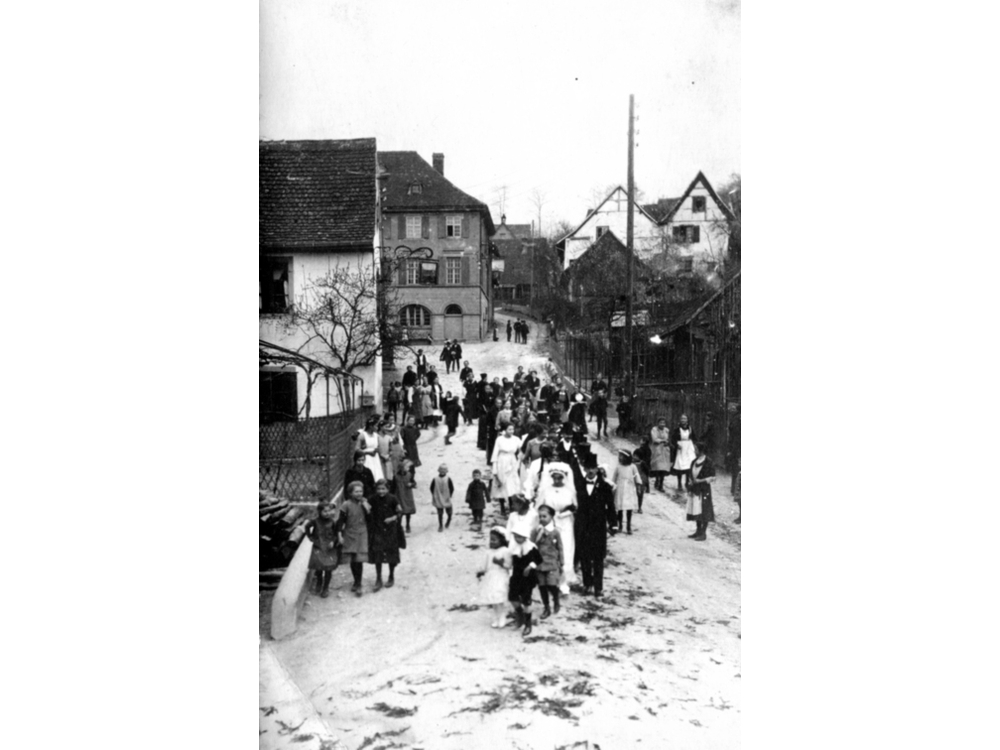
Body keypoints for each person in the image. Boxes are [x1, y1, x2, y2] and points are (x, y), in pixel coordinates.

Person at [573, 455, 618, 597]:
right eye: (588, 468)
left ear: (597, 469)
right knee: (585, 556)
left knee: (598, 558)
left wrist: (613, 524)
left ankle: (598, 587)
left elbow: (610, 506)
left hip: (598, 527)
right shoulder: (578, 485)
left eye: (593, 468)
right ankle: (587, 584)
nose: (591, 471)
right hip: (583, 526)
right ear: (585, 469)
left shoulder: (605, 486)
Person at [537, 463, 577, 595]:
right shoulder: (546, 490)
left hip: (565, 524)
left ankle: (563, 582)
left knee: (565, 550)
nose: (557, 480)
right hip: (550, 523)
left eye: (560, 478)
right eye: (555, 478)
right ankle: (549, 580)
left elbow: (574, 507)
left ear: (564, 478)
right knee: (549, 551)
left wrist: (564, 513)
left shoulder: (570, 491)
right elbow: (540, 506)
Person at [506, 515, 544, 637]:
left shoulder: (531, 547)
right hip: (517, 575)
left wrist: (530, 566)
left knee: (526, 600)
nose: (518, 539)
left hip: (528, 577)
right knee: (512, 597)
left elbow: (539, 559)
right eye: (516, 536)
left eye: (521, 537)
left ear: (526, 537)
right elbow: (510, 560)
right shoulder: (513, 547)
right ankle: (520, 614)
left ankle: (528, 623)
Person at [338, 481, 371, 596]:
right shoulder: (346, 504)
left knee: (359, 559)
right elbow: (340, 521)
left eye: (361, 491)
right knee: (352, 559)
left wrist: (367, 508)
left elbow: (370, 519)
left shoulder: (366, 503)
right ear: (350, 493)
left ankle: (359, 583)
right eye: (356, 491)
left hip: (362, 533)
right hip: (350, 533)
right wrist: (339, 535)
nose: (359, 494)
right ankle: (356, 581)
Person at [368, 479, 402, 591]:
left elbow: (400, 512)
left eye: (383, 489)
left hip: (390, 530)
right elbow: (367, 510)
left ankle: (391, 576)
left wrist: (392, 518)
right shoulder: (372, 499)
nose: (381, 491)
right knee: (378, 553)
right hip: (377, 529)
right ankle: (378, 578)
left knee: (391, 552)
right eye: (378, 489)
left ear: (388, 489)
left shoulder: (393, 498)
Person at [531, 503, 564, 620]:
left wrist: (562, 562)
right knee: (542, 586)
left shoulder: (555, 532)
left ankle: (556, 599)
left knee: (552, 585)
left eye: (544, 516)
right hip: (539, 564)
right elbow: (531, 546)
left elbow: (560, 547)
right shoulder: (535, 531)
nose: (542, 519)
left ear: (551, 517)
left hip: (551, 563)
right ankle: (546, 607)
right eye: (540, 516)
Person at [477, 527, 513, 628]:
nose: (491, 542)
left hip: (501, 576)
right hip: (491, 577)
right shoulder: (489, 552)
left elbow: (509, 566)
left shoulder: (506, 551)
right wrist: (481, 572)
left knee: (499, 597)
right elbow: (485, 565)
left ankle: (502, 616)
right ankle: (496, 617)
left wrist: (501, 563)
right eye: (490, 539)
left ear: (502, 540)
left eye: (494, 540)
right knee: (493, 598)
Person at [306, 500, 340, 598]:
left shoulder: (332, 522)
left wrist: (333, 541)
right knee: (319, 568)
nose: (327, 513)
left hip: (329, 548)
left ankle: (326, 588)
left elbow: (335, 533)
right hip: (319, 547)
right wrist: (311, 538)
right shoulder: (315, 522)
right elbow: (307, 527)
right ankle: (319, 584)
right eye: (324, 511)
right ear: (319, 512)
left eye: (329, 511)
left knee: (328, 569)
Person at [686, 442, 716, 541]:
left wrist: (700, 480)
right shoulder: (694, 461)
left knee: (705, 510)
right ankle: (698, 530)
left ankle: (703, 533)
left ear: (701, 450)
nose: (694, 451)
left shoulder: (708, 462)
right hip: (695, 489)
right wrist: (690, 482)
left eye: (696, 449)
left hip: (704, 489)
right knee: (696, 510)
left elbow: (713, 477)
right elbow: (690, 473)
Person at [491, 423, 522, 515]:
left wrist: (519, 460)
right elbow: (495, 453)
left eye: (513, 429)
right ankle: (502, 506)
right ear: (504, 430)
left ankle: (511, 504)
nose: (511, 431)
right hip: (502, 461)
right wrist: (495, 468)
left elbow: (522, 449)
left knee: (511, 483)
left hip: (512, 461)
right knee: (502, 482)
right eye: (509, 429)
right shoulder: (499, 439)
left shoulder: (516, 439)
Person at [612, 449, 642, 535]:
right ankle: (620, 526)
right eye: (619, 456)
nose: (620, 458)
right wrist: (612, 488)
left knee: (629, 508)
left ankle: (628, 526)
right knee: (620, 509)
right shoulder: (618, 467)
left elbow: (637, 477)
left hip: (629, 490)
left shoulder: (633, 467)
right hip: (620, 490)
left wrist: (639, 487)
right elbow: (613, 479)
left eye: (621, 456)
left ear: (626, 457)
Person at [670, 414, 697, 492]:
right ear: (680, 420)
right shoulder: (677, 430)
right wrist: (676, 444)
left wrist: (694, 445)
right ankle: (679, 483)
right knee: (680, 466)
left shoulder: (690, 429)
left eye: (685, 419)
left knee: (689, 466)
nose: (683, 420)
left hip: (688, 448)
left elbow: (694, 438)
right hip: (681, 448)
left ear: (687, 420)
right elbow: (673, 439)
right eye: (682, 419)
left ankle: (687, 482)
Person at [356, 416, 385, 483]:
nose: (377, 427)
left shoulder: (376, 435)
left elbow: (379, 446)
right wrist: (368, 453)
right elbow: (357, 449)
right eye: (376, 426)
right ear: (370, 426)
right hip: (367, 458)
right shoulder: (363, 435)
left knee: (377, 475)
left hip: (375, 458)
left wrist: (377, 450)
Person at [430, 464, 455, 532]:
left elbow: (452, 488)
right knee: (440, 513)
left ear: (446, 471)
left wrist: (450, 495)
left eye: (444, 470)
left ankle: (449, 520)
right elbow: (431, 487)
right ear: (439, 471)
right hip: (438, 498)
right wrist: (435, 495)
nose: (442, 472)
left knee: (449, 511)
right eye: (441, 470)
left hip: (446, 497)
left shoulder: (448, 479)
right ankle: (440, 525)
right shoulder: (435, 479)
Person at [649, 418, 672, 492]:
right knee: (658, 466)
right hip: (657, 449)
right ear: (658, 423)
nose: (662, 424)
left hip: (665, 450)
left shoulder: (666, 430)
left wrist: (667, 442)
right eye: (661, 422)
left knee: (664, 468)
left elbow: (668, 439)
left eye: (664, 423)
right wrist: (662, 441)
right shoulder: (654, 429)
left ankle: (661, 484)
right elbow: (654, 439)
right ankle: (657, 480)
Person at [395, 457, 416, 532]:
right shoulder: (396, 476)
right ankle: (399, 526)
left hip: (407, 495)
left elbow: (414, 483)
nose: (408, 469)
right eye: (407, 467)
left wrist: (412, 484)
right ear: (401, 468)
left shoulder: (409, 475)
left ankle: (407, 525)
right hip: (399, 496)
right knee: (400, 512)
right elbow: (393, 487)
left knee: (408, 511)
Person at [632, 437, 652, 513]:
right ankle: (639, 507)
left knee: (638, 492)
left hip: (639, 475)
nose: (634, 457)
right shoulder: (649, 450)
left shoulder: (638, 452)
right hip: (643, 475)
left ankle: (638, 507)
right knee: (640, 492)